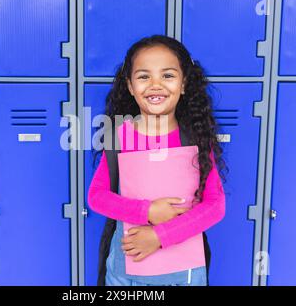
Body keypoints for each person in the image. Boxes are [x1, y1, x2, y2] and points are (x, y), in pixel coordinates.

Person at [88, 35, 227, 286]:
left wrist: (159, 235)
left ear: (184, 84)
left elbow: (214, 205)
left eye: (168, 75)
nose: (155, 84)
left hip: (183, 275)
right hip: (125, 274)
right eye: (143, 76)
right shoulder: (119, 136)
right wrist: (147, 211)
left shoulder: (195, 139)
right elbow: (97, 196)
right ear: (130, 86)